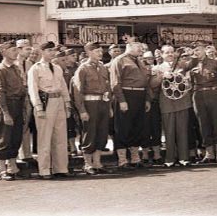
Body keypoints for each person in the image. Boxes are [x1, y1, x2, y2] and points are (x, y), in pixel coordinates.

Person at [28, 41, 72, 179]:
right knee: (44, 137)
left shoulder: (57, 68)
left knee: (60, 137)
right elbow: (33, 89)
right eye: (49, 51)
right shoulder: (35, 68)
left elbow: (63, 87)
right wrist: (38, 107)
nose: (52, 53)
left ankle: (61, 168)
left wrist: (67, 104)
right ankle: (45, 169)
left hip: (58, 101)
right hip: (46, 102)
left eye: (53, 50)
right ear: (42, 52)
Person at [110, 41, 152, 169]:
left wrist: (147, 99)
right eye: (138, 47)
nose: (141, 50)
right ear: (129, 48)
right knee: (123, 128)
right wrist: (122, 100)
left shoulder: (139, 61)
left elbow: (146, 82)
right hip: (126, 95)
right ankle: (122, 160)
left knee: (137, 127)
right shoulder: (120, 60)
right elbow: (115, 83)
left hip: (140, 96)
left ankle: (135, 158)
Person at [72, 42, 112, 175]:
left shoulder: (103, 67)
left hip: (103, 104)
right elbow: (78, 91)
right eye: (97, 51)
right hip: (90, 104)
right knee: (90, 133)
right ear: (89, 52)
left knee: (102, 133)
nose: (100, 54)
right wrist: (82, 110)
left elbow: (107, 88)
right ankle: (87, 164)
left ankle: (97, 163)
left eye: (101, 51)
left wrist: (109, 106)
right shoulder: (83, 69)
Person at [0, 41, 27, 181]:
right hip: (7, 105)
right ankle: (1, 169)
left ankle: (12, 167)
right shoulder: (0, 70)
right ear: (4, 52)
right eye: (13, 50)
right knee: (5, 138)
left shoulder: (15, 68)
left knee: (16, 137)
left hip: (18, 104)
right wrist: (5, 113)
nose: (16, 52)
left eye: (16, 50)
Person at [154, 45, 193, 167]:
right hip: (167, 104)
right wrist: (162, 76)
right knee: (169, 132)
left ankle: (183, 158)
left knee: (183, 131)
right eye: (167, 52)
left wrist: (191, 53)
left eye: (172, 52)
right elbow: (152, 84)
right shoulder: (157, 68)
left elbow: (193, 63)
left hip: (182, 102)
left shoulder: (182, 65)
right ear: (161, 54)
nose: (170, 54)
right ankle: (169, 159)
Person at [189, 40, 217, 164]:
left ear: (205, 50)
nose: (196, 52)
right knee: (203, 124)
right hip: (198, 95)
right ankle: (210, 154)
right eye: (194, 50)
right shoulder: (191, 64)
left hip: (214, 94)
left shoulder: (215, 63)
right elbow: (188, 82)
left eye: (198, 49)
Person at [15, 39, 36, 166]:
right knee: (17, 124)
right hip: (17, 95)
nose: (29, 51)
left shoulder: (30, 64)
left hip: (27, 94)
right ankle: (15, 153)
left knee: (26, 124)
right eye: (26, 49)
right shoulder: (13, 63)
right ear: (19, 49)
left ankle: (26, 153)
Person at [141, 51, 163, 164]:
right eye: (146, 59)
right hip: (143, 103)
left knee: (155, 129)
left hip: (155, 102)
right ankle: (144, 154)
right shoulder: (139, 71)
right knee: (144, 129)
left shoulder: (158, 70)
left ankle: (157, 154)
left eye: (151, 58)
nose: (149, 60)